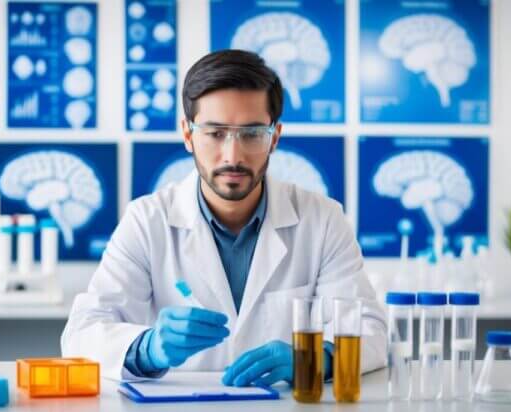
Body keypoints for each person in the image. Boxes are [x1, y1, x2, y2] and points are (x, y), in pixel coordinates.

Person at [61, 49, 387, 386]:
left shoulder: (322, 219)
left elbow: (371, 331)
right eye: (215, 133)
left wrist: (315, 358)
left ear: (274, 137)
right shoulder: (147, 220)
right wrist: (148, 349)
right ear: (188, 134)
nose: (233, 155)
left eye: (252, 134)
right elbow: (82, 334)